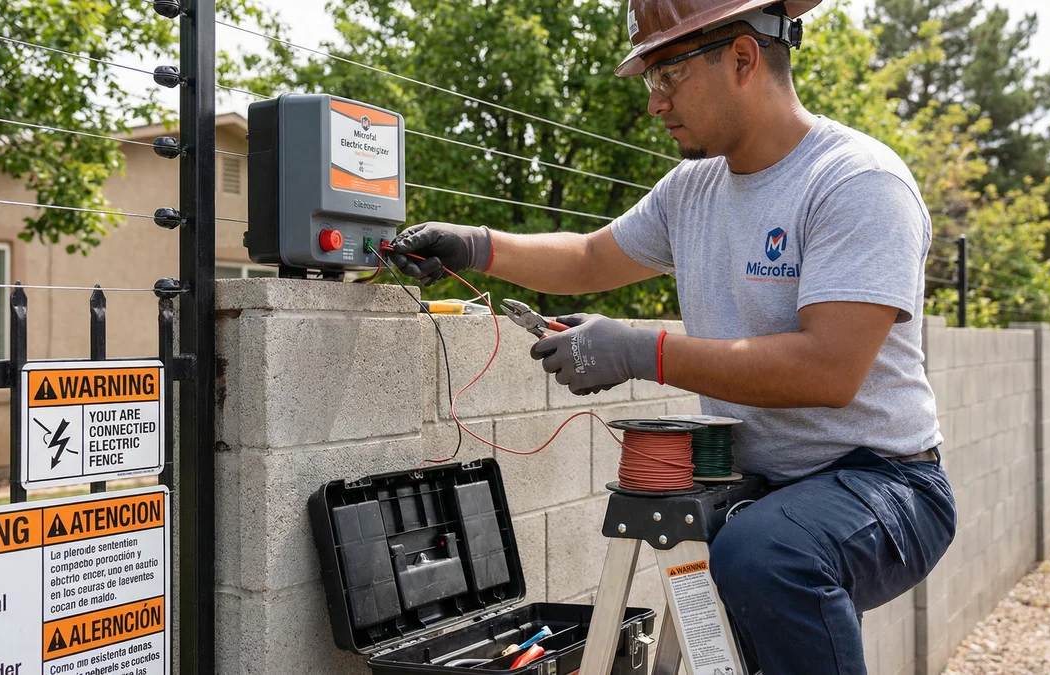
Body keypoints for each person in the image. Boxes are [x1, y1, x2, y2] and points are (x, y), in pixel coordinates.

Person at [387, 1, 956, 672]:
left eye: (668, 74)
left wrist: (640, 352)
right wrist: (473, 245)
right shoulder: (692, 190)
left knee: (763, 555)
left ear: (742, 58)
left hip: (885, 482)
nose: (654, 103)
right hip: (767, 484)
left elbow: (827, 369)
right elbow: (590, 259)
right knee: (759, 562)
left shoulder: (856, 182)